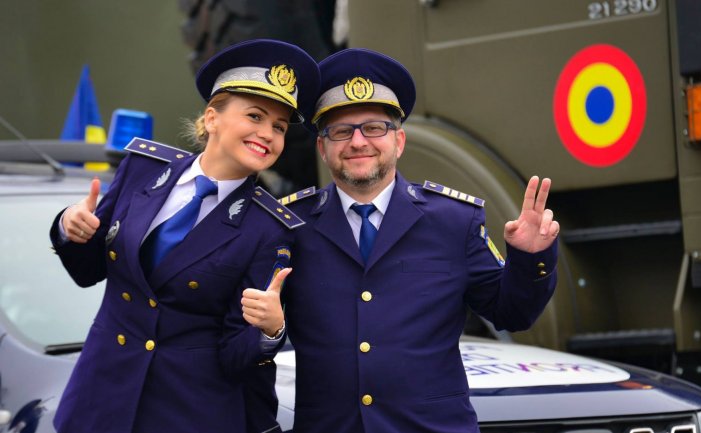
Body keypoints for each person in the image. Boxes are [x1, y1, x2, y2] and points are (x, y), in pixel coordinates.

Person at [242, 48, 560, 432]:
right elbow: (250, 336)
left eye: (374, 128)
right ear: (323, 147)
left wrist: (530, 258)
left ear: (400, 141)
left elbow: (512, 314)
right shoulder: (290, 223)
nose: (358, 142)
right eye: (341, 131)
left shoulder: (453, 221)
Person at [49, 39, 319, 433]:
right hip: (100, 399)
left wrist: (269, 330)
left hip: (188, 412)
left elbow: (234, 354)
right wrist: (69, 226)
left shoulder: (269, 228)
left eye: (279, 127)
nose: (268, 134)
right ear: (212, 118)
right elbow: (87, 271)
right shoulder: (141, 168)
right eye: (256, 116)